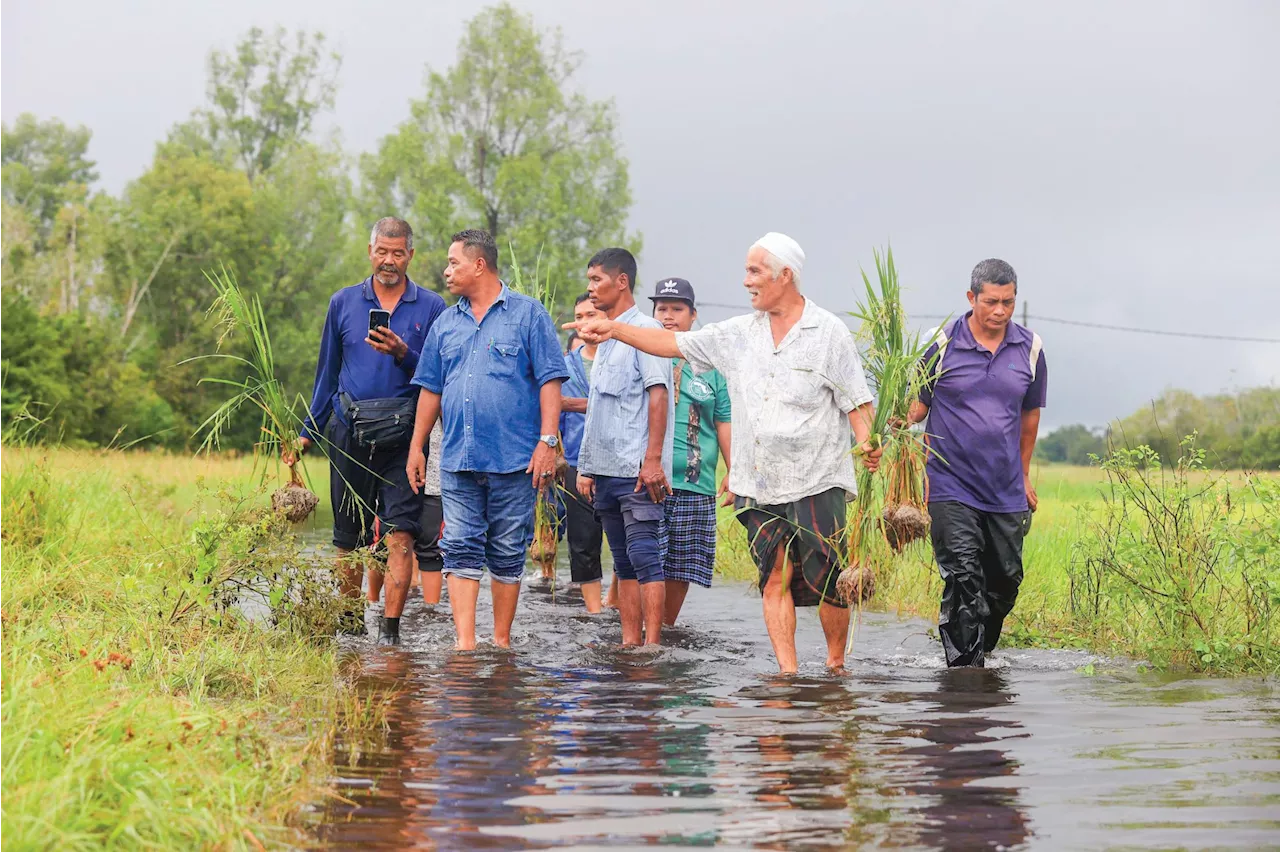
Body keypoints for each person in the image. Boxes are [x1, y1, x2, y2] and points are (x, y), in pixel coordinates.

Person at [567, 232, 882, 673]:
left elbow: (857, 400)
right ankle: (787, 674)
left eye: (754, 271)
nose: (746, 281)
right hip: (759, 481)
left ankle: (834, 666)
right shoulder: (737, 334)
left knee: (828, 580)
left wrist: (868, 443)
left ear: (785, 275)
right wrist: (614, 328)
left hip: (817, 476)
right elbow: (672, 345)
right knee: (774, 577)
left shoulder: (828, 333)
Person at [406, 229, 568, 651]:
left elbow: (551, 379)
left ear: (479, 264)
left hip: (515, 460)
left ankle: (500, 643)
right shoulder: (446, 323)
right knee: (458, 545)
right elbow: (430, 389)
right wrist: (416, 447)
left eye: (453, 262)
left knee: (506, 550)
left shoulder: (528, 315)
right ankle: (465, 645)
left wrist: (548, 441)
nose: (446, 271)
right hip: (459, 458)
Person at [290, 217, 445, 645]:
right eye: (382, 251)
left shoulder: (432, 307)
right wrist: (307, 433)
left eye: (398, 253)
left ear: (411, 255)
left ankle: (390, 634)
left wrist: (403, 353)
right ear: (370, 250)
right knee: (348, 537)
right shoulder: (343, 302)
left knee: (401, 534)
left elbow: (438, 374)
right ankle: (349, 626)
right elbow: (327, 373)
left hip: (406, 438)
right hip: (349, 432)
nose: (389, 261)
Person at [905, 259, 1046, 668]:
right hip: (950, 484)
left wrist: (1023, 476)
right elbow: (916, 406)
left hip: (1004, 488)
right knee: (964, 577)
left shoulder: (1031, 348)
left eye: (1008, 302)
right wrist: (890, 424)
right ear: (972, 298)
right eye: (991, 302)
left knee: (1004, 583)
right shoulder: (942, 343)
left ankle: (978, 654)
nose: (1000, 311)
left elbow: (1030, 416)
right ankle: (964, 678)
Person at [575, 247, 673, 647]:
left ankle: (653, 648)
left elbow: (659, 395)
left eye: (597, 279)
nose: (590, 287)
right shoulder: (605, 334)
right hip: (606, 471)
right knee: (624, 563)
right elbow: (599, 407)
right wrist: (585, 466)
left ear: (621, 281)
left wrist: (652, 461)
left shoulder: (647, 332)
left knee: (646, 557)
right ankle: (630, 645)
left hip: (637, 472)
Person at [648, 278, 732, 625]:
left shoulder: (712, 369)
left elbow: (724, 420)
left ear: (693, 315)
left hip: (695, 482)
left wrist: (735, 471)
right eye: (662, 309)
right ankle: (637, 630)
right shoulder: (645, 354)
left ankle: (664, 630)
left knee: (680, 563)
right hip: (649, 478)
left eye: (677, 309)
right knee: (644, 556)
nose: (669, 316)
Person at [558, 294, 608, 612]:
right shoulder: (564, 367)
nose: (585, 322)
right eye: (580, 316)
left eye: (592, 314)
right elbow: (553, 414)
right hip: (576, 460)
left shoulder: (624, 357)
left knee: (627, 538)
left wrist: (576, 405)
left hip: (621, 462)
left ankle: (617, 597)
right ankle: (595, 611)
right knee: (583, 539)